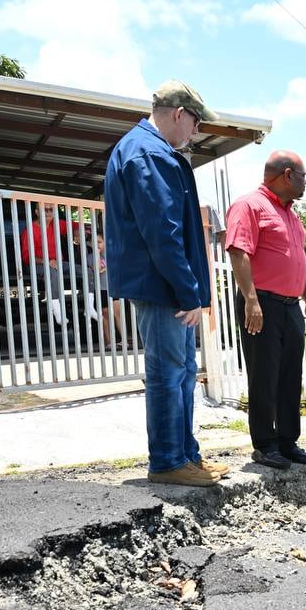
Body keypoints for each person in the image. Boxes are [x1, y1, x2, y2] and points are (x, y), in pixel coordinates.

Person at [104, 80, 228, 487]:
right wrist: (187, 290)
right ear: (179, 114)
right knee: (168, 372)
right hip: (162, 288)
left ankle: (185, 455)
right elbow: (163, 231)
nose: (195, 133)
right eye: (194, 124)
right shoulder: (148, 154)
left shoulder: (149, 150)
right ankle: (169, 461)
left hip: (163, 286)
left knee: (182, 371)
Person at [224, 151, 306, 470]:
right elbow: (239, 252)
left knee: (291, 376)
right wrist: (250, 299)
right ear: (287, 174)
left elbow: (299, 262)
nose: (305, 183)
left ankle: (287, 442)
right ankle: (265, 444)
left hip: (291, 305)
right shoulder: (249, 205)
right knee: (264, 375)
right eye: (304, 177)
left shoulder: (293, 216)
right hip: (261, 303)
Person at [21, 206, 87, 326]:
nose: (48, 212)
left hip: (57, 262)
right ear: (36, 212)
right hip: (37, 263)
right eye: (45, 209)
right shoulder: (29, 230)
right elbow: (27, 257)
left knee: (84, 271)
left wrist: (76, 233)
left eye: (51, 210)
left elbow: (75, 225)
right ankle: (57, 310)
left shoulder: (56, 224)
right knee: (52, 272)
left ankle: (88, 303)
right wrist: (46, 261)